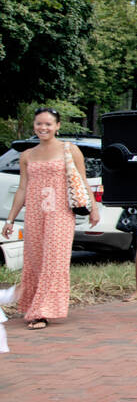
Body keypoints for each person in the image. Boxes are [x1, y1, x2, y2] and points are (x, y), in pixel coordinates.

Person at [2, 107, 99, 330]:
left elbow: (83, 181)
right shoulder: (27, 155)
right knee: (35, 260)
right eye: (39, 124)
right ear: (34, 126)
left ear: (57, 126)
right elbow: (22, 188)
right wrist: (10, 220)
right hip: (35, 213)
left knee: (54, 260)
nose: (43, 128)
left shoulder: (70, 150)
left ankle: (44, 311)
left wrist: (93, 208)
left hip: (60, 212)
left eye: (48, 124)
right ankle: (33, 305)